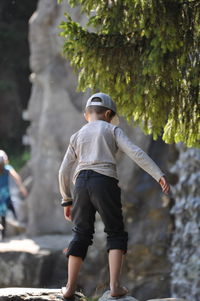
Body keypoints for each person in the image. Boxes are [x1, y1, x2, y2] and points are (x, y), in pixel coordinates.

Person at [58, 92, 170, 299]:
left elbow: (63, 171)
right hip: (104, 182)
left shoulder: (77, 135)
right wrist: (158, 174)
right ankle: (115, 286)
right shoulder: (112, 129)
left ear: (86, 115)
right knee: (115, 232)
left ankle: (69, 288)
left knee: (81, 233)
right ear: (109, 114)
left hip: (80, 184)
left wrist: (67, 199)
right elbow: (136, 152)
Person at [0, 150, 28, 240]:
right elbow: (17, 178)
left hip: (5, 196)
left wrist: (22, 188)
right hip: (5, 196)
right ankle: (17, 223)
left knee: (4, 215)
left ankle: (6, 233)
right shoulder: (7, 168)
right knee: (8, 212)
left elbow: (16, 178)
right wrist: (22, 189)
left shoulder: (7, 168)